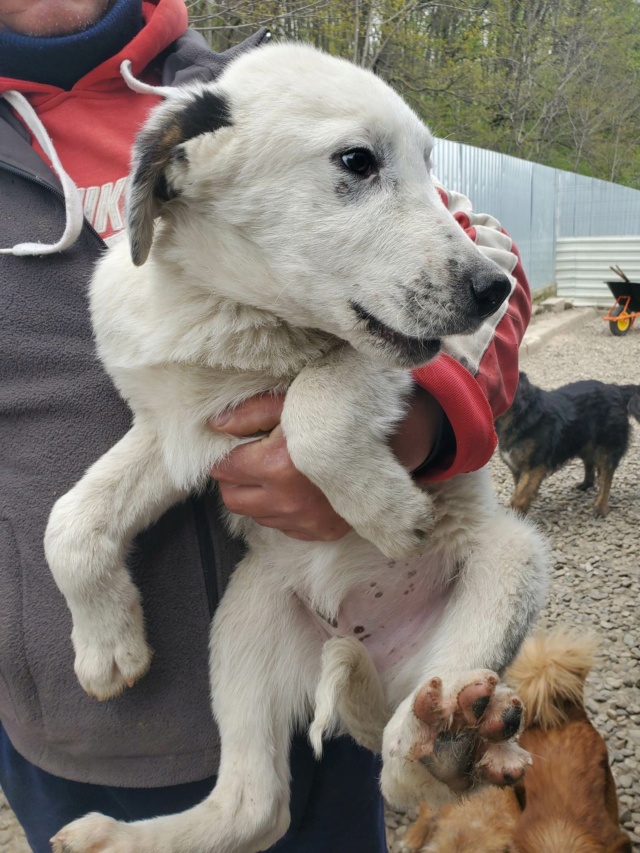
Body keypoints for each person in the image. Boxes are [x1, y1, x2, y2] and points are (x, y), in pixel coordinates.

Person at [0, 1, 532, 850]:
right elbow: (173, 430)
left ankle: (418, 750)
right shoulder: (198, 161)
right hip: (67, 718)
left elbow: (493, 265)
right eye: (357, 165)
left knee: (505, 554)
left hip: (341, 649)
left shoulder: (267, 88)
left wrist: (421, 421)